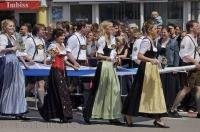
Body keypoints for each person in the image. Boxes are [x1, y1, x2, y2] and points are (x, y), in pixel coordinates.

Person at [122, 20, 169, 128]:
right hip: (146, 69)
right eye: (154, 28)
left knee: (154, 94)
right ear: (149, 30)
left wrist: (157, 60)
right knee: (138, 92)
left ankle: (158, 118)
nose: (157, 30)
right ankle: (128, 115)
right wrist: (151, 60)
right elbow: (139, 56)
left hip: (152, 69)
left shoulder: (152, 40)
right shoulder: (146, 41)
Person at [83, 21, 122, 124]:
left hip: (111, 66)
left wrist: (116, 58)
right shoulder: (102, 39)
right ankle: (88, 114)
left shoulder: (113, 39)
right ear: (105, 29)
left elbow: (113, 52)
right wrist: (107, 58)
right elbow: (98, 55)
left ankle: (112, 116)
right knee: (98, 90)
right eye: (110, 27)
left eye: (112, 27)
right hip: (103, 66)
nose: (112, 28)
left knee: (113, 90)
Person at [38, 28, 77, 123]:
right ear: (56, 36)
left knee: (61, 93)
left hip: (63, 71)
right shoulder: (53, 46)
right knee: (60, 93)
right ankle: (62, 115)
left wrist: (73, 65)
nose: (63, 37)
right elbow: (47, 60)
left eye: (63, 35)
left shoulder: (62, 45)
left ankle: (50, 112)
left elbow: (64, 59)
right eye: (61, 36)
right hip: (55, 71)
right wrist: (51, 58)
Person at [168, 20, 200, 118]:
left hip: (196, 67)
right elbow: (183, 54)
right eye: (197, 26)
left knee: (198, 88)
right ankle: (172, 109)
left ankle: (199, 111)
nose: (199, 27)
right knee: (186, 89)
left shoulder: (194, 38)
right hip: (190, 67)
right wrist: (194, 61)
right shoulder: (187, 38)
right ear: (191, 28)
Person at [0, 19, 28, 120]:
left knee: (19, 86)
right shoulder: (2, 37)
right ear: (4, 27)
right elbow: (0, 50)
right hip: (6, 62)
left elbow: (20, 51)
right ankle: (6, 109)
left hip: (15, 63)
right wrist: (11, 49)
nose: (12, 27)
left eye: (13, 26)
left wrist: (26, 62)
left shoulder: (15, 36)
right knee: (7, 87)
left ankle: (18, 110)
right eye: (10, 26)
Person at [157, 26, 180, 110]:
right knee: (161, 86)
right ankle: (162, 104)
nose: (163, 34)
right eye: (162, 32)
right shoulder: (158, 41)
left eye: (165, 32)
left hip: (170, 66)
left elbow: (177, 55)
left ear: (169, 33)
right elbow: (157, 54)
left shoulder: (174, 42)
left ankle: (170, 105)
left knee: (170, 87)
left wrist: (176, 67)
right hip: (160, 67)